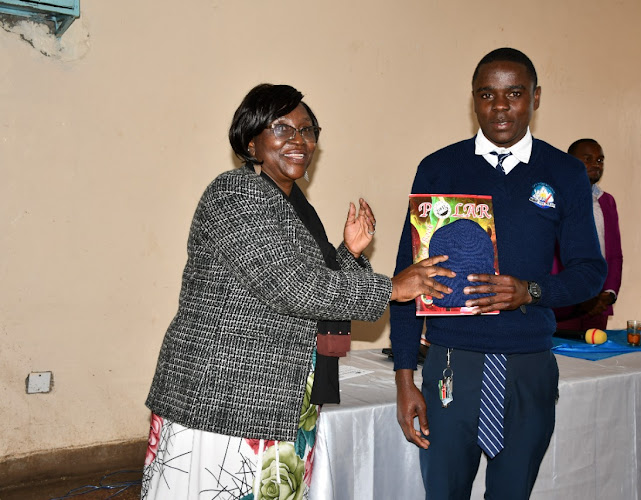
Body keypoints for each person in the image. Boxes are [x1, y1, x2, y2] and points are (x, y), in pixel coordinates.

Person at [141, 83, 453, 500]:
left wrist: (349, 253)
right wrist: (393, 287)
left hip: (285, 392)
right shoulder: (236, 192)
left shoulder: (293, 204)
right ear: (251, 139)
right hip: (226, 395)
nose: (299, 140)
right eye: (282, 128)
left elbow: (311, 292)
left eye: (308, 131)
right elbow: (289, 286)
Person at [389, 48, 607, 499]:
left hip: (528, 364)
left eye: (515, 94)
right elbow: (407, 280)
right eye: (488, 94)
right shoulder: (439, 167)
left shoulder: (565, 173)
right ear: (474, 100)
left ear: (536, 98)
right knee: (444, 492)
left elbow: (590, 273)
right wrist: (405, 378)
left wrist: (530, 290)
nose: (501, 106)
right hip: (452, 365)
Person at [554, 139, 623, 331]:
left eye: (600, 160)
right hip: (565, 305)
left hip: (598, 304)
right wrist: (578, 297)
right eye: (588, 159)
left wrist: (609, 293)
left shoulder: (607, 201)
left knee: (597, 359)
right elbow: (552, 257)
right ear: (569, 162)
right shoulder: (553, 199)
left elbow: (614, 254)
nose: (596, 164)